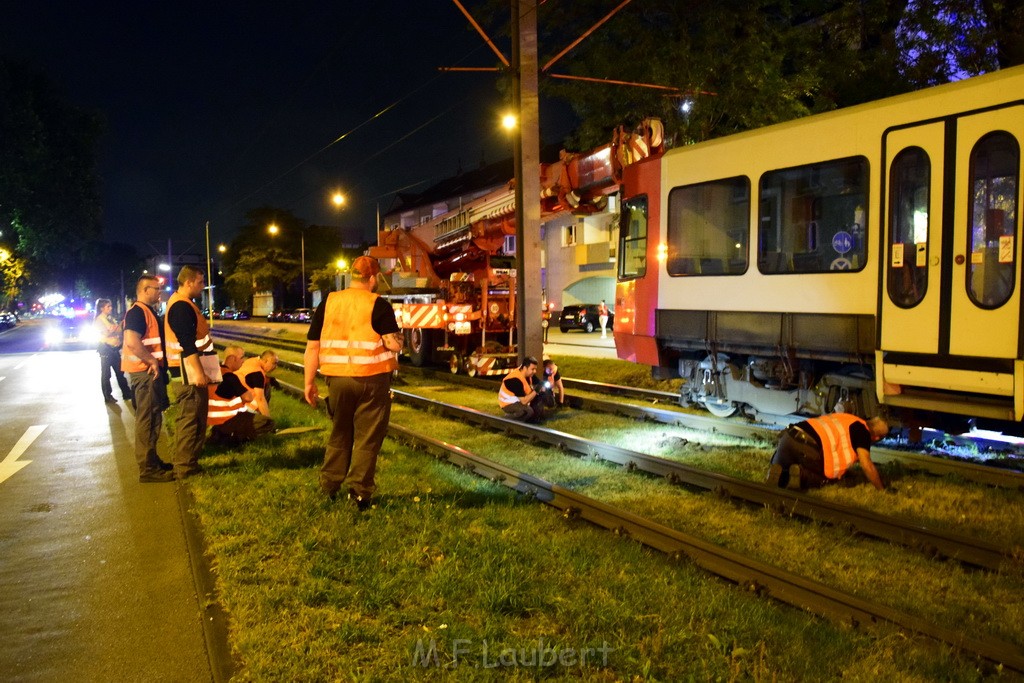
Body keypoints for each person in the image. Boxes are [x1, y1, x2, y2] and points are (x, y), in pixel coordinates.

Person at [303, 255, 403, 510]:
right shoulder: (377, 304)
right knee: (367, 438)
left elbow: (313, 347)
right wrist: (399, 339)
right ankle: (359, 494)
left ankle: (329, 485)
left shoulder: (330, 302)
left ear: (351, 276)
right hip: (371, 381)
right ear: (372, 278)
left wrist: (308, 383)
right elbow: (392, 343)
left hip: (337, 380)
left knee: (340, 432)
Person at [165, 265, 218, 480]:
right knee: (190, 419)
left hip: (190, 370)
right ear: (188, 282)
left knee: (196, 418)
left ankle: (190, 463)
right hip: (187, 373)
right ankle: (184, 467)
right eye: (199, 282)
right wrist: (198, 373)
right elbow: (187, 344)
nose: (202, 286)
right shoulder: (181, 307)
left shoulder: (184, 304)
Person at [121, 276, 173, 483]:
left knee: (153, 419)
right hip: (144, 374)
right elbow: (132, 341)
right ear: (144, 289)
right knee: (147, 420)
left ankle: (152, 460)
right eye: (157, 289)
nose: (160, 292)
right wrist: (151, 360)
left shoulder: (146, 311)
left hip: (150, 373)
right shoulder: (137, 312)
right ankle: (148, 469)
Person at [766, 413, 889, 491]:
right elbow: (866, 464)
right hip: (807, 445)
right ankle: (801, 474)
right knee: (826, 479)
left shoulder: (848, 418)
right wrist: (881, 489)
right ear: (877, 437)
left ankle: (777, 471)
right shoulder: (863, 433)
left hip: (788, 436)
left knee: (780, 467)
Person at [207, 347, 276, 445]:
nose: (243, 361)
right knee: (267, 423)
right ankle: (232, 438)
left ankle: (223, 434)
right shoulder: (230, 377)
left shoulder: (216, 372)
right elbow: (248, 397)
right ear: (232, 359)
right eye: (241, 358)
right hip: (227, 418)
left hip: (211, 418)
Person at [94, 298, 132, 404]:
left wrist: (118, 327)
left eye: (110, 306)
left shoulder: (109, 318)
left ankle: (127, 393)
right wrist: (117, 327)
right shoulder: (99, 320)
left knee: (120, 372)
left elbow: (118, 330)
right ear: (102, 308)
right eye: (108, 306)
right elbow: (107, 333)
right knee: (106, 374)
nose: (110, 308)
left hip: (114, 349)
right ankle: (108, 396)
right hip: (106, 349)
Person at [498, 356, 545, 423]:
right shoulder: (514, 379)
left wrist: (544, 388)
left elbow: (539, 384)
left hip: (519, 400)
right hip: (508, 403)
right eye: (533, 369)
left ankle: (523, 419)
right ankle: (504, 420)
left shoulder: (529, 374)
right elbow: (524, 401)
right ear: (525, 368)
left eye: (535, 369)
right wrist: (536, 390)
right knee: (527, 411)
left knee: (538, 401)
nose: (535, 371)